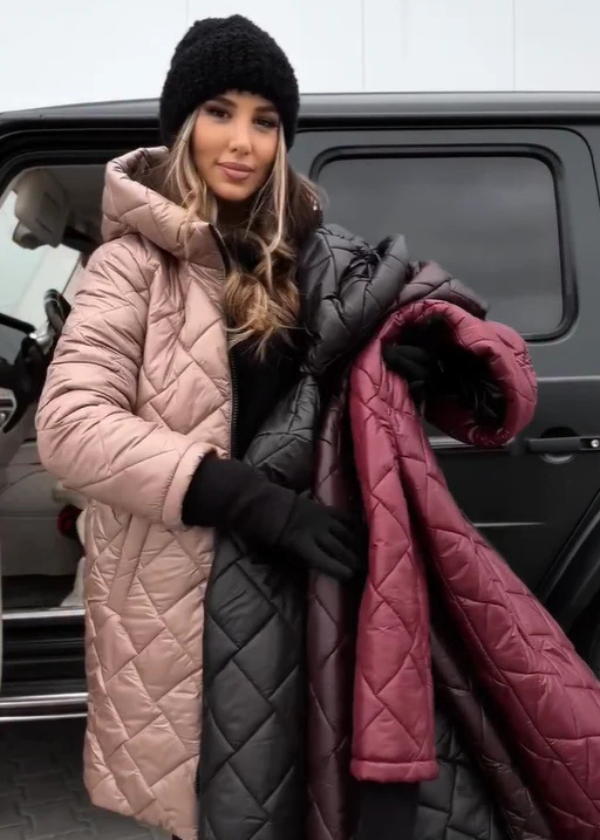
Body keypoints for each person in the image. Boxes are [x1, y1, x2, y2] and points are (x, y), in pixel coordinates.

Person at [35, 15, 436, 840]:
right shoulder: (131, 265)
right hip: (178, 604)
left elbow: (335, 401)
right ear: (182, 125)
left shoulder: (317, 257)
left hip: (298, 582)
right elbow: (71, 425)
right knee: (217, 814)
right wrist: (243, 496)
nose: (242, 140)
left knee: (305, 799)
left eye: (265, 120)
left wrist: (410, 371)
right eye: (220, 110)